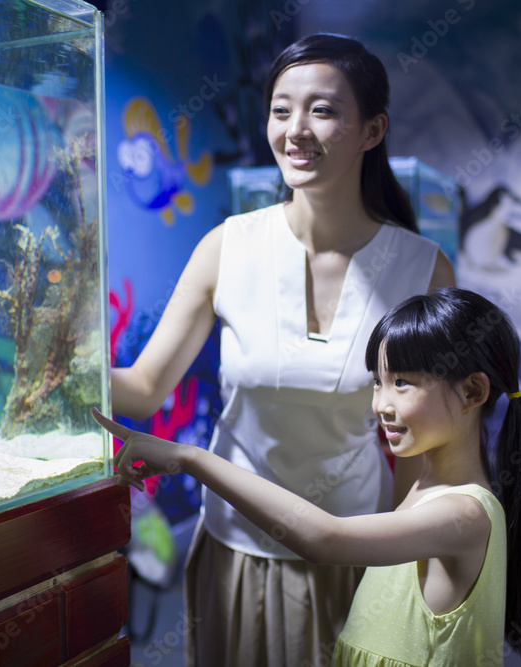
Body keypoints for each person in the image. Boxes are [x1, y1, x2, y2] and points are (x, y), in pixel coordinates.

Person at [111, 33, 455, 666]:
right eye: (280, 109)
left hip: (356, 542)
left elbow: (421, 446)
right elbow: (144, 386)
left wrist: (405, 566)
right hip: (235, 544)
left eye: (322, 109)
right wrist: (60, 368)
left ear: (372, 130)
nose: (296, 130)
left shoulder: (422, 270)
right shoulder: (227, 245)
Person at [99, 288, 521, 666]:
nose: (381, 404)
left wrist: (190, 458)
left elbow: (326, 539)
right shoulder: (426, 488)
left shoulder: (464, 514)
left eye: (403, 383)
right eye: (378, 382)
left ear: (473, 390)